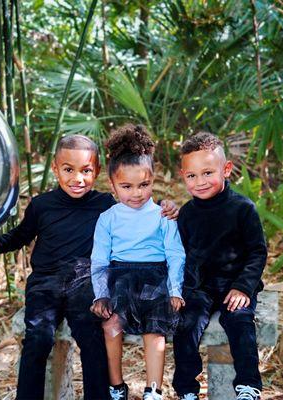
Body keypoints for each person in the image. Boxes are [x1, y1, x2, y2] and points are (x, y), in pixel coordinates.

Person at [0, 134, 178, 399]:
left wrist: (169, 207)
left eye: (86, 170)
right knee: (38, 337)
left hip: (85, 280)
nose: (78, 178)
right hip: (45, 281)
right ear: (55, 169)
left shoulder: (106, 205)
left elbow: (139, 213)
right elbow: (22, 235)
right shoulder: (42, 205)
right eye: (68, 170)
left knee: (90, 334)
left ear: (96, 171)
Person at [90, 124, 185, 400]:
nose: (137, 193)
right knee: (111, 325)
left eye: (144, 184)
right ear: (113, 185)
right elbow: (99, 258)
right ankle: (117, 386)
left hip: (156, 277)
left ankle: (153, 389)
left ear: (153, 180)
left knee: (155, 331)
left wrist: (176, 288)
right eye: (126, 186)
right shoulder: (108, 218)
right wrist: (101, 294)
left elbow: (175, 253)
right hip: (119, 278)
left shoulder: (162, 215)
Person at [172, 132, 267, 400]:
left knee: (240, 321)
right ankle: (187, 390)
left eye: (207, 173)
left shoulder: (242, 208)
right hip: (199, 285)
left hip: (234, 284)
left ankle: (248, 386)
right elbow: (182, 253)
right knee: (187, 324)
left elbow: (257, 252)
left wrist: (243, 287)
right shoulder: (187, 214)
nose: (200, 182)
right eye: (192, 176)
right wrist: (181, 290)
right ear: (183, 176)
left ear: (226, 170)